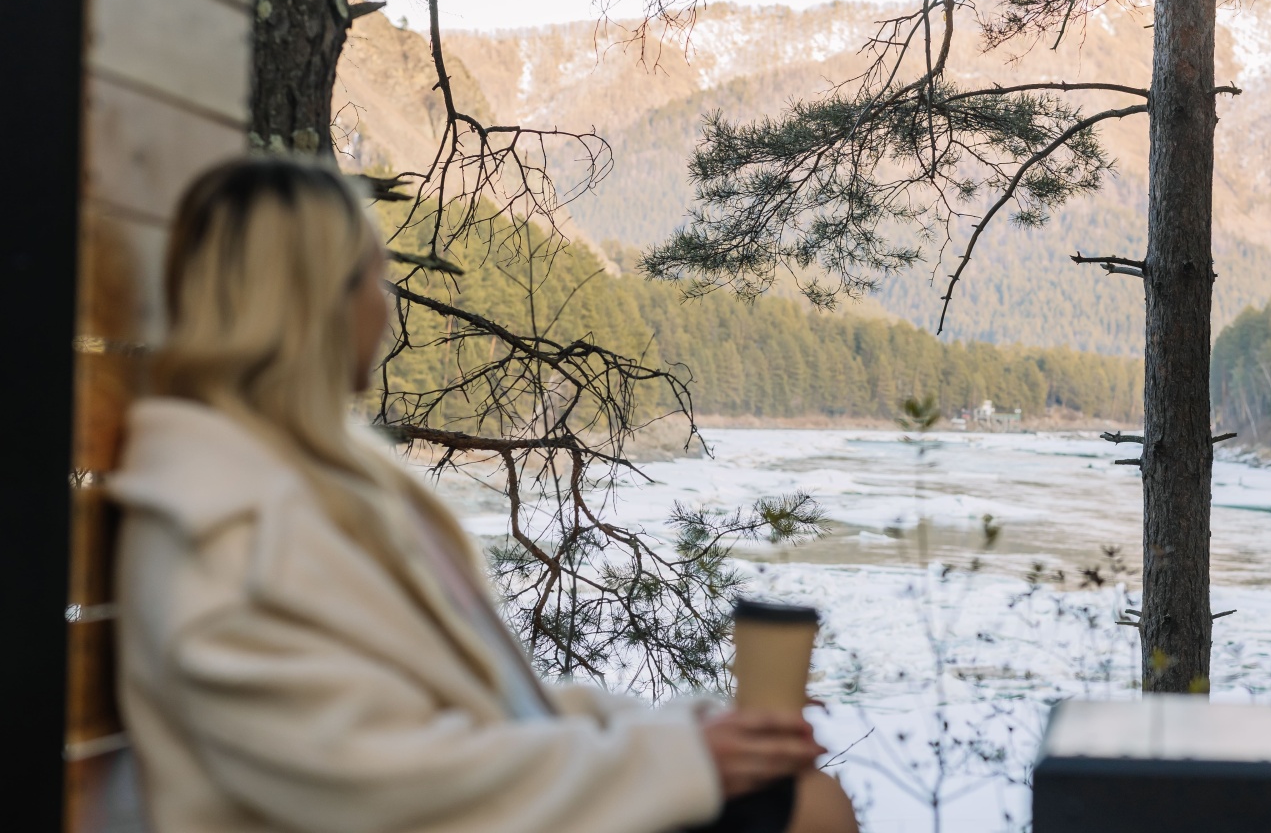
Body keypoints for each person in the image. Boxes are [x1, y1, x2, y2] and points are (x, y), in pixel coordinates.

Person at [108, 158, 858, 833]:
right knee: (807, 811)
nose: (389, 304)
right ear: (315, 303)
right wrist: (683, 761)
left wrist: (699, 737)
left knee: (797, 794)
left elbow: (496, 708)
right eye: (376, 277)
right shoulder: (219, 531)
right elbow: (371, 783)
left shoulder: (324, 491)